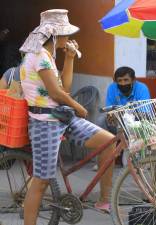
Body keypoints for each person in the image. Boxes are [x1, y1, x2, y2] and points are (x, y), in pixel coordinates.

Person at [19, 9, 115, 224]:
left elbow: (65, 87)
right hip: (45, 123)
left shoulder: (49, 57)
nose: (68, 38)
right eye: (65, 34)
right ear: (53, 35)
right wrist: (78, 107)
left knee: (108, 142)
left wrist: (70, 58)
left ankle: (104, 199)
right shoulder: (38, 56)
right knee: (41, 181)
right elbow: (55, 93)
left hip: (62, 117)